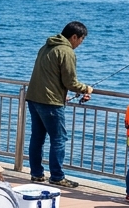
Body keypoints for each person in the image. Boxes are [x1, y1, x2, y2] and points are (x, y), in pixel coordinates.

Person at [26, 21, 92, 188]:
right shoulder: (66, 51)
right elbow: (70, 81)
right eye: (81, 39)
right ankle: (56, 176)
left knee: (37, 138)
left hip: (34, 97)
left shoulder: (46, 47)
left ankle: (36, 174)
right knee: (59, 139)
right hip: (50, 102)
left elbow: (52, 77)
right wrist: (86, 88)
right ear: (74, 36)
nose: (81, 43)